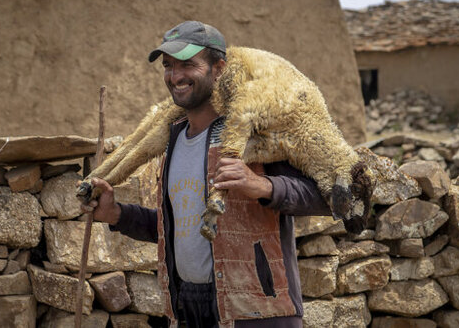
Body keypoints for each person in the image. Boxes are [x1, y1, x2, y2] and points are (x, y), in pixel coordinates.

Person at [83, 21, 330, 328]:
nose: (176, 77)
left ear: (219, 69)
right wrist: (117, 214)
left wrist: (261, 185)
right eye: (168, 66)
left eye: (188, 65)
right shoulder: (173, 140)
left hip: (256, 310)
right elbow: (178, 229)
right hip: (189, 309)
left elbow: (323, 198)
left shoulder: (258, 131)